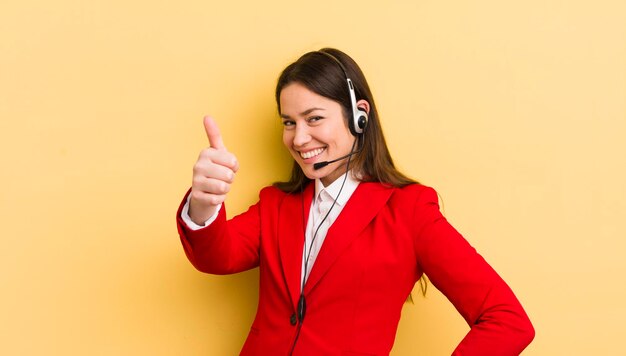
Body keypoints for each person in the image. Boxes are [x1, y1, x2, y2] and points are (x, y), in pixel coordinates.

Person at [176, 48, 535, 355]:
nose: (299, 138)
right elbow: (218, 256)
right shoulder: (276, 204)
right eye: (289, 122)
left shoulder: (409, 211)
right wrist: (204, 204)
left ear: (358, 115)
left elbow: (507, 320)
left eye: (314, 118)